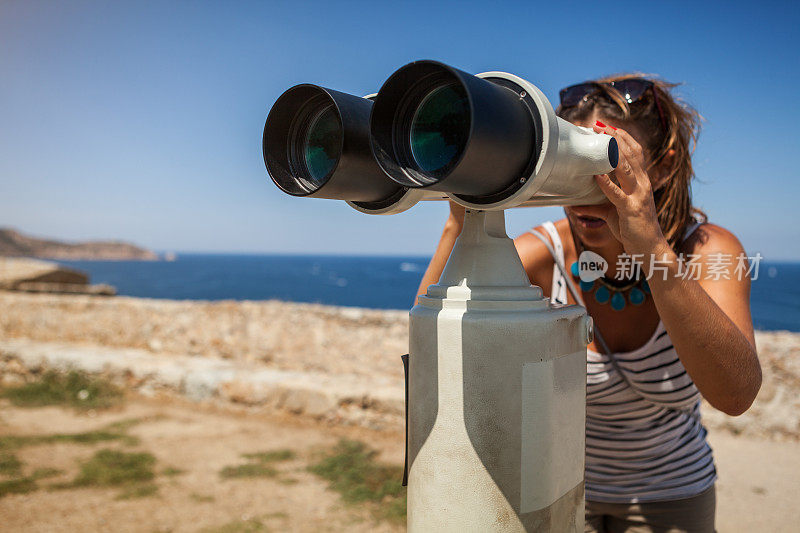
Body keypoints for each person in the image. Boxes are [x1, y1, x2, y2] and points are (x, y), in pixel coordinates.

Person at [414, 74, 761, 533]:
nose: (590, 189)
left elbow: (736, 394)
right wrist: (460, 218)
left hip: (674, 496)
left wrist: (651, 247)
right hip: (563, 489)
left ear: (662, 166)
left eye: (610, 163)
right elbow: (432, 349)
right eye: (575, 167)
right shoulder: (546, 255)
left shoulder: (708, 253)